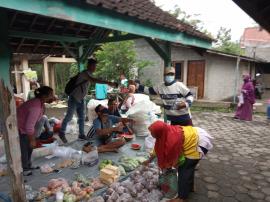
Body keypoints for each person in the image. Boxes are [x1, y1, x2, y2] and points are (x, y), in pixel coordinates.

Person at [143, 120, 213, 202]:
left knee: (184, 170)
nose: (151, 135)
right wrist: (149, 160)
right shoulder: (166, 132)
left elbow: (172, 159)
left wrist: (166, 168)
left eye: (152, 133)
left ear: (159, 133)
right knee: (188, 168)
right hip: (194, 135)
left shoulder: (171, 140)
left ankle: (181, 198)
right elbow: (158, 148)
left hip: (199, 142)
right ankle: (190, 187)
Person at [59, 59, 117, 143]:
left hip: (81, 99)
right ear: (88, 66)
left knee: (82, 118)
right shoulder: (84, 74)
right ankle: (61, 132)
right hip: (74, 98)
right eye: (93, 66)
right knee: (69, 116)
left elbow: (92, 80)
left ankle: (81, 134)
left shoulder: (89, 74)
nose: (94, 67)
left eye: (95, 66)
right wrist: (109, 83)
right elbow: (94, 80)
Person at [17, 86, 56, 176]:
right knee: (25, 147)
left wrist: (49, 100)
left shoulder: (39, 102)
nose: (53, 96)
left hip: (25, 126)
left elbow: (40, 116)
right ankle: (25, 168)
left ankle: (28, 165)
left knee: (29, 147)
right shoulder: (35, 106)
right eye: (51, 95)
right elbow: (29, 126)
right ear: (44, 96)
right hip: (20, 127)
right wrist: (32, 139)